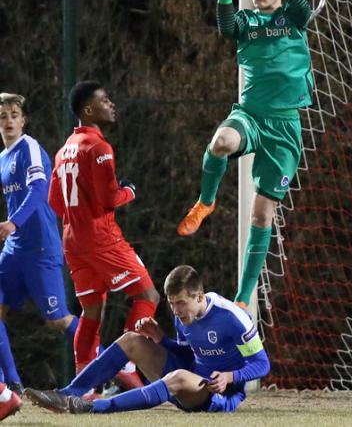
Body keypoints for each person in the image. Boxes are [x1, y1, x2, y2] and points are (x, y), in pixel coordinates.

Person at [177, 0, 313, 309]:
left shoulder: (292, 18)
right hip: (250, 115)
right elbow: (224, 25)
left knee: (262, 212)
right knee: (221, 141)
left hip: (284, 127)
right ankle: (205, 202)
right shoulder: (246, 22)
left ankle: (242, 298)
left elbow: (303, 7)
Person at [25, 264, 270, 414]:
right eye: (172, 303)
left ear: (199, 296)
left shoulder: (232, 317)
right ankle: (67, 394)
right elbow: (187, 354)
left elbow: (262, 364)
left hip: (219, 394)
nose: (176, 310)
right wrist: (161, 339)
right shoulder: (182, 316)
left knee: (178, 377)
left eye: (181, 303)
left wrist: (230, 377)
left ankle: (94, 407)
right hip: (189, 379)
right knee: (132, 339)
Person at [48, 81, 160, 388]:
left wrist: (80, 216)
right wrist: (129, 192)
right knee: (148, 295)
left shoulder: (63, 151)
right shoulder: (98, 147)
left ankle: (84, 386)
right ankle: (123, 363)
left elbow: (55, 201)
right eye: (105, 100)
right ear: (88, 110)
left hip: (72, 238)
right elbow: (111, 198)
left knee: (91, 311)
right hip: (100, 236)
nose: (112, 104)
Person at [0, 93, 79, 394]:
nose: (8, 120)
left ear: (23, 120)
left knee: (58, 320)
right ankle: (11, 385)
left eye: (14, 114)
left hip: (40, 248)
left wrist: (12, 223)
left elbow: (39, 189)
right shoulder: (2, 158)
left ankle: (114, 363)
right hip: (13, 250)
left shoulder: (28, 148)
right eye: (2, 115)